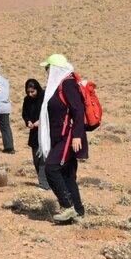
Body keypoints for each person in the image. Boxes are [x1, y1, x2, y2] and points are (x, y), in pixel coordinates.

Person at [38, 54, 87, 224]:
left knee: (51, 168)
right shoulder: (59, 84)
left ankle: (67, 207)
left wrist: (77, 136)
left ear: (55, 69)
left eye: (48, 68)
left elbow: (78, 110)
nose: (46, 72)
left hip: (69, 136)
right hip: (60, 136)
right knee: (67, 174)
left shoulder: (67, 83)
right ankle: (79, 212)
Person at [21, 79, 49, 191]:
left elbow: (49, 113)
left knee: (43, 159)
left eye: (33, 91)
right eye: (28, 92)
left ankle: (44, 184)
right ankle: (43, 181)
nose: (30, 94)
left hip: (45, 132)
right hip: (34, 133)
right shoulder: (27, 100)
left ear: (37, 89)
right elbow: (25, 113)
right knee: (36, 159)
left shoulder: (45, 97)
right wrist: (28, 121)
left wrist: (40, 121)